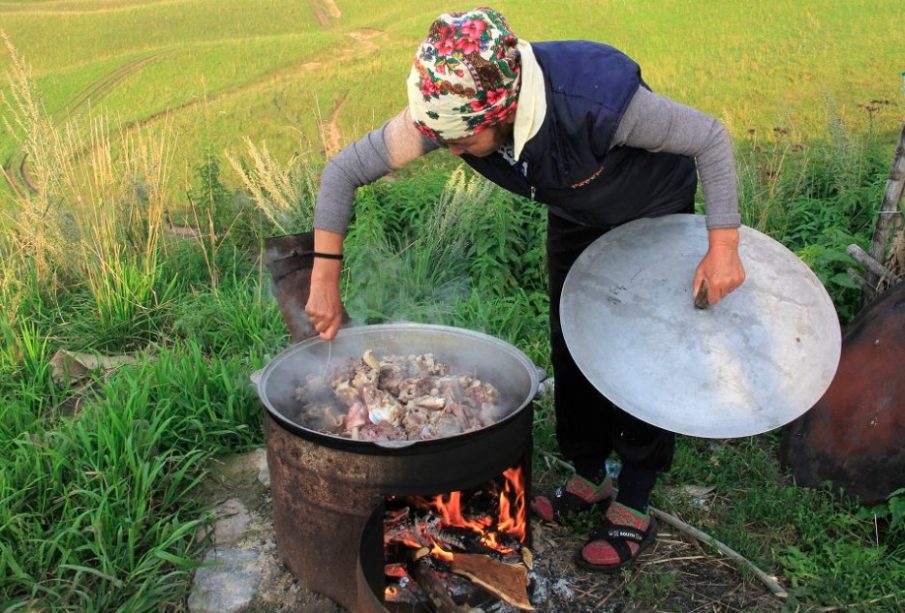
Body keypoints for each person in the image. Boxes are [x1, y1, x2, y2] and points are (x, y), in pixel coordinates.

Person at [304, 7, 745, 572]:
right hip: (575, 210)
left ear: (504, 109)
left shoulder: (597, 100)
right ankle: (589, 472)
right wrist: (324, 281)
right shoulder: (451, 103)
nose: (450, 150)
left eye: (462, 140)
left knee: (641, 351)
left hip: (649, 212)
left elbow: (708, 136)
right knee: (573, 341)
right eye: (441, 138)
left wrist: (724, 246)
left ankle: (634, 495)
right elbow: (343, 170)